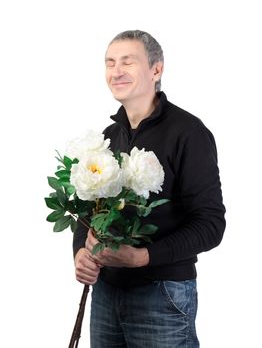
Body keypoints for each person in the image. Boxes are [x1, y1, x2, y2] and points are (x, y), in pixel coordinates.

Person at [73, 30, 226, 348]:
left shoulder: (189, 133)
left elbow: (211, 224)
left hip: (162, 294)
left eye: (127, 62)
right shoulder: (109, 135)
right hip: (106, 293)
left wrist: (144, 257)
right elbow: (88, 208)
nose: (116, 71)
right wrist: (80, 253)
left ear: (156, 69)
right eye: (110, 63)